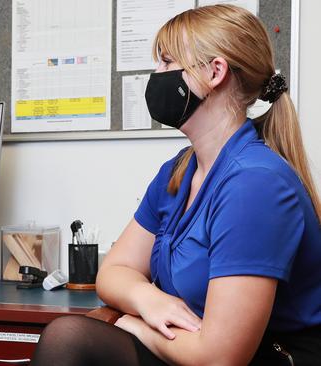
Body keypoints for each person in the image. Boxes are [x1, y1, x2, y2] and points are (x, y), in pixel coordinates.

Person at [32, 5, 321, 365]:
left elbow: (220, 358)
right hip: (187, 346)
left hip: (260, 358)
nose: (156, 74)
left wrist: (134, 323)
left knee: (71, 339)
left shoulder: (256, 186)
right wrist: (148, 300)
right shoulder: (179, 171)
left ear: (215, 72)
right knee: (68, 337)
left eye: (167, 62)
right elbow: (113, 273)